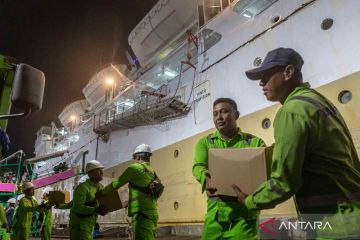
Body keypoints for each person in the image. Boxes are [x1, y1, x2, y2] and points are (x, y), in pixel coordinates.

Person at [232, 47, 360, 238]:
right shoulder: (317, 101)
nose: (261, 83)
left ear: (288, 72)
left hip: (334, 225)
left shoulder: (291, 111)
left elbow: (284, 183)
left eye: (266, 75)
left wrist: (250, 201)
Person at [192, 98, 266, 240]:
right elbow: (198, 166)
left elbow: (263, 174)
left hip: (244, 216)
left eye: (224, 111)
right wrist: (204, 176)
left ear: (236, 115)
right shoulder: (205, 143)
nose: (218, 117)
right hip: (215, 215)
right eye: (215, 114)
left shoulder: (255, 143)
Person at [100, 144, 160, 240]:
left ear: (138, 157)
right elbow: (146, 192)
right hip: (152, 213)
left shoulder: (135, 168)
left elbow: (116, 184)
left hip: (141, 214)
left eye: (135, 158)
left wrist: (101, 193)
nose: (134, 160)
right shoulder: (152, 172)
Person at [69, 160, 106, 240]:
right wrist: (95, 210)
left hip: (90, 223)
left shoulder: (100, 187)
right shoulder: (82, 188)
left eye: (102, 170)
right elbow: (78, 208)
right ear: (90, 173)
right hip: (79, 224)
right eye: (99, 170)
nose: (102, 172)